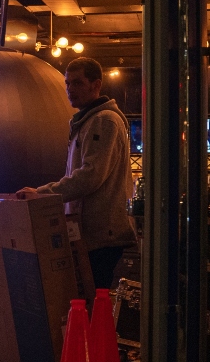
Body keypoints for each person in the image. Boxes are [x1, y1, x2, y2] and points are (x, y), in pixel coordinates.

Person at [17, 57, 136, 289]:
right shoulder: (89, 121)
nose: (70, 89)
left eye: (78, 83)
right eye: (68, 83)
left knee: (92, 300)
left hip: (101, 235)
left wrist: (42, 194)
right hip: (94, 234)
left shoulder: (104, 121)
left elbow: (90, 176)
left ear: (96, 85)